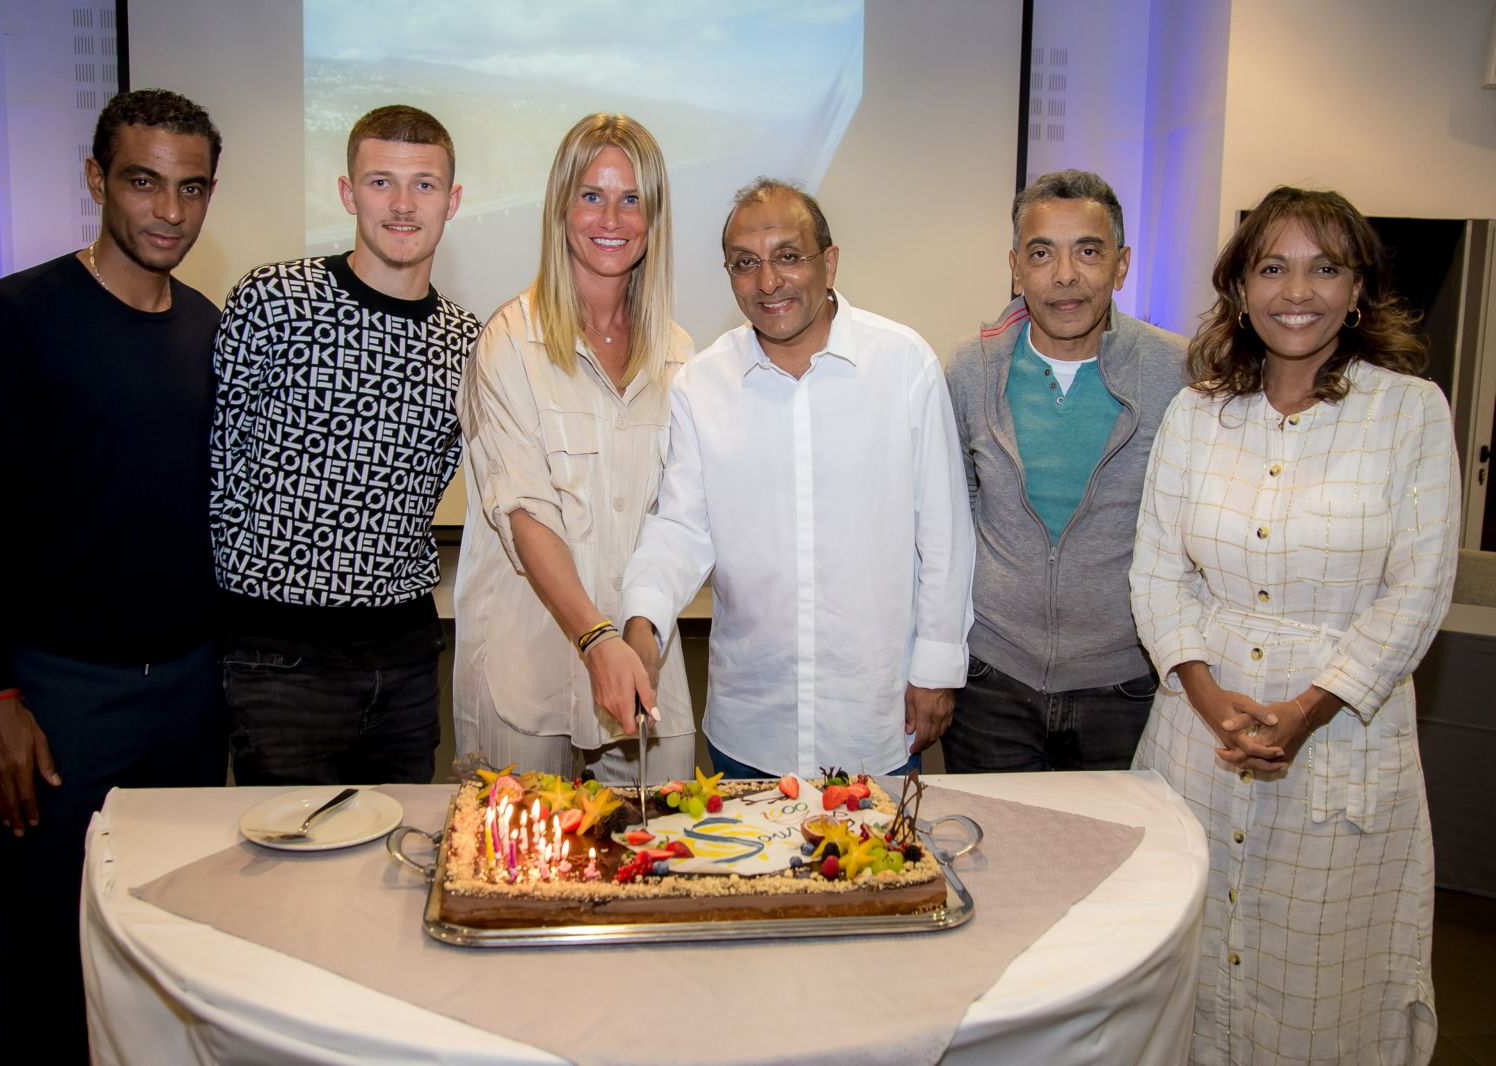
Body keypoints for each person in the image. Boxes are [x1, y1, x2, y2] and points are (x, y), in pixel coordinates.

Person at [0, 88, 225, 1064]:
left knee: (170, 930)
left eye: (191, 189)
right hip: (60, 694)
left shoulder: (207, 328)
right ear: (98, 180)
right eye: (144, 183)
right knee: (51, 943)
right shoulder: (15, 319)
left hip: (188, 689)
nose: (169, 212)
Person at [1130, 186, 1457, 1065]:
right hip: (1198, 738)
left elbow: (1419, 589)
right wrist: (1205, 694)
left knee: (1325, 979)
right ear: (1240, 289)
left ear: (1360, 291)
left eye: (1325, 267)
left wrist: (1307, 709)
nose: (1296, 290)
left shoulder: (1409, 412)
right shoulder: (1198, 413)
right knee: (1183, 969)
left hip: (1343, 737)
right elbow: (1157, 571)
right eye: (1272, 266)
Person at [617, 178, 974, 779]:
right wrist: (641, 621)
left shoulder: (902, 364)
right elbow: (680, 527)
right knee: (748, 875)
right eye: (745, 264)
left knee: (884, 873)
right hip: (752, 725)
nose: (768, 282)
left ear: (829, 263)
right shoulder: (703, 386)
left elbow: (943, 529)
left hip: (875, 717)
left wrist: (937, 669)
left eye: (788, 257)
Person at [210, 105, 480, 785]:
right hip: (280, 656)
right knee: (286, 871)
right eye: (380, 181)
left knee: (399, 866)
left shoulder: (467, 341)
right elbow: (220, 466)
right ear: (345, 191)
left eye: (423, 185)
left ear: (453, 201)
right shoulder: (273, 300)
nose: (401, 204)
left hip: (406, 654)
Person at [453, 114, 694, 781]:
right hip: (524, 669)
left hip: (643, 656)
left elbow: (679, 518)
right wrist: (595, 637)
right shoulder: (509, 342)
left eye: (631, 198)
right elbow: (524, 511)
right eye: (591, 195)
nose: (611, 217)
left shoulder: (680, 357)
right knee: (514, 875)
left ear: (655, 217)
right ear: (562, 206)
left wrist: (636, 633)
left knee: (663, 866)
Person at [942, 169, 1188, 773]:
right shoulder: (972, 370)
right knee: (994, 860)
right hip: (992, 684)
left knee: (1125, 864)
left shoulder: (1178, 372)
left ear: (1122, 264)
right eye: (1042, 254)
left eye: (1089, 251)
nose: (1065, 276)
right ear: (1016, 267)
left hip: (1128, 687)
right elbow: (947, 521)